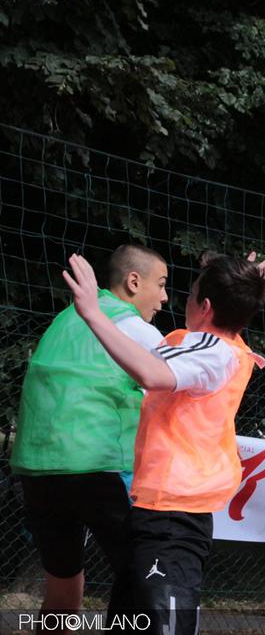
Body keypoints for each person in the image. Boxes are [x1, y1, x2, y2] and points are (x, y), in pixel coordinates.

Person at [62, 250, 265, 635]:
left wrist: (93, 312)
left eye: (191, 294)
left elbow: (150, 372)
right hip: (164, 511)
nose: (180, 299)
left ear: (205, 307)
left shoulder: (209, 352)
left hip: (173, 518)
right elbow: (213, 325)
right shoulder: (225, 347)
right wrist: (244, 283)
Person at [12, 244, 168, 623]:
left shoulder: (65, 321)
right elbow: (180, 386)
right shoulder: (137, 330)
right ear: (134, 282)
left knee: (64, 584)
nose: (164, 297)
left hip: (38, 471)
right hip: (99, 468)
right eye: (162, 284)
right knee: (148, 579)